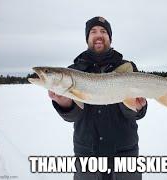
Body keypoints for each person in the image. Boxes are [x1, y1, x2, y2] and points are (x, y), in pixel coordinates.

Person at [48, 16, 147, 180]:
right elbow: (74, 116)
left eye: (103, 31)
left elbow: (138, 112)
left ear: (110, 37)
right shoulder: (73, 70)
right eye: (93, 31)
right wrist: (65, 105)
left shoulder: (127, 67)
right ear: (87, 38)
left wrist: (136, 108)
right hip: (87, 155)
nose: (98, 35)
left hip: (124, 154)